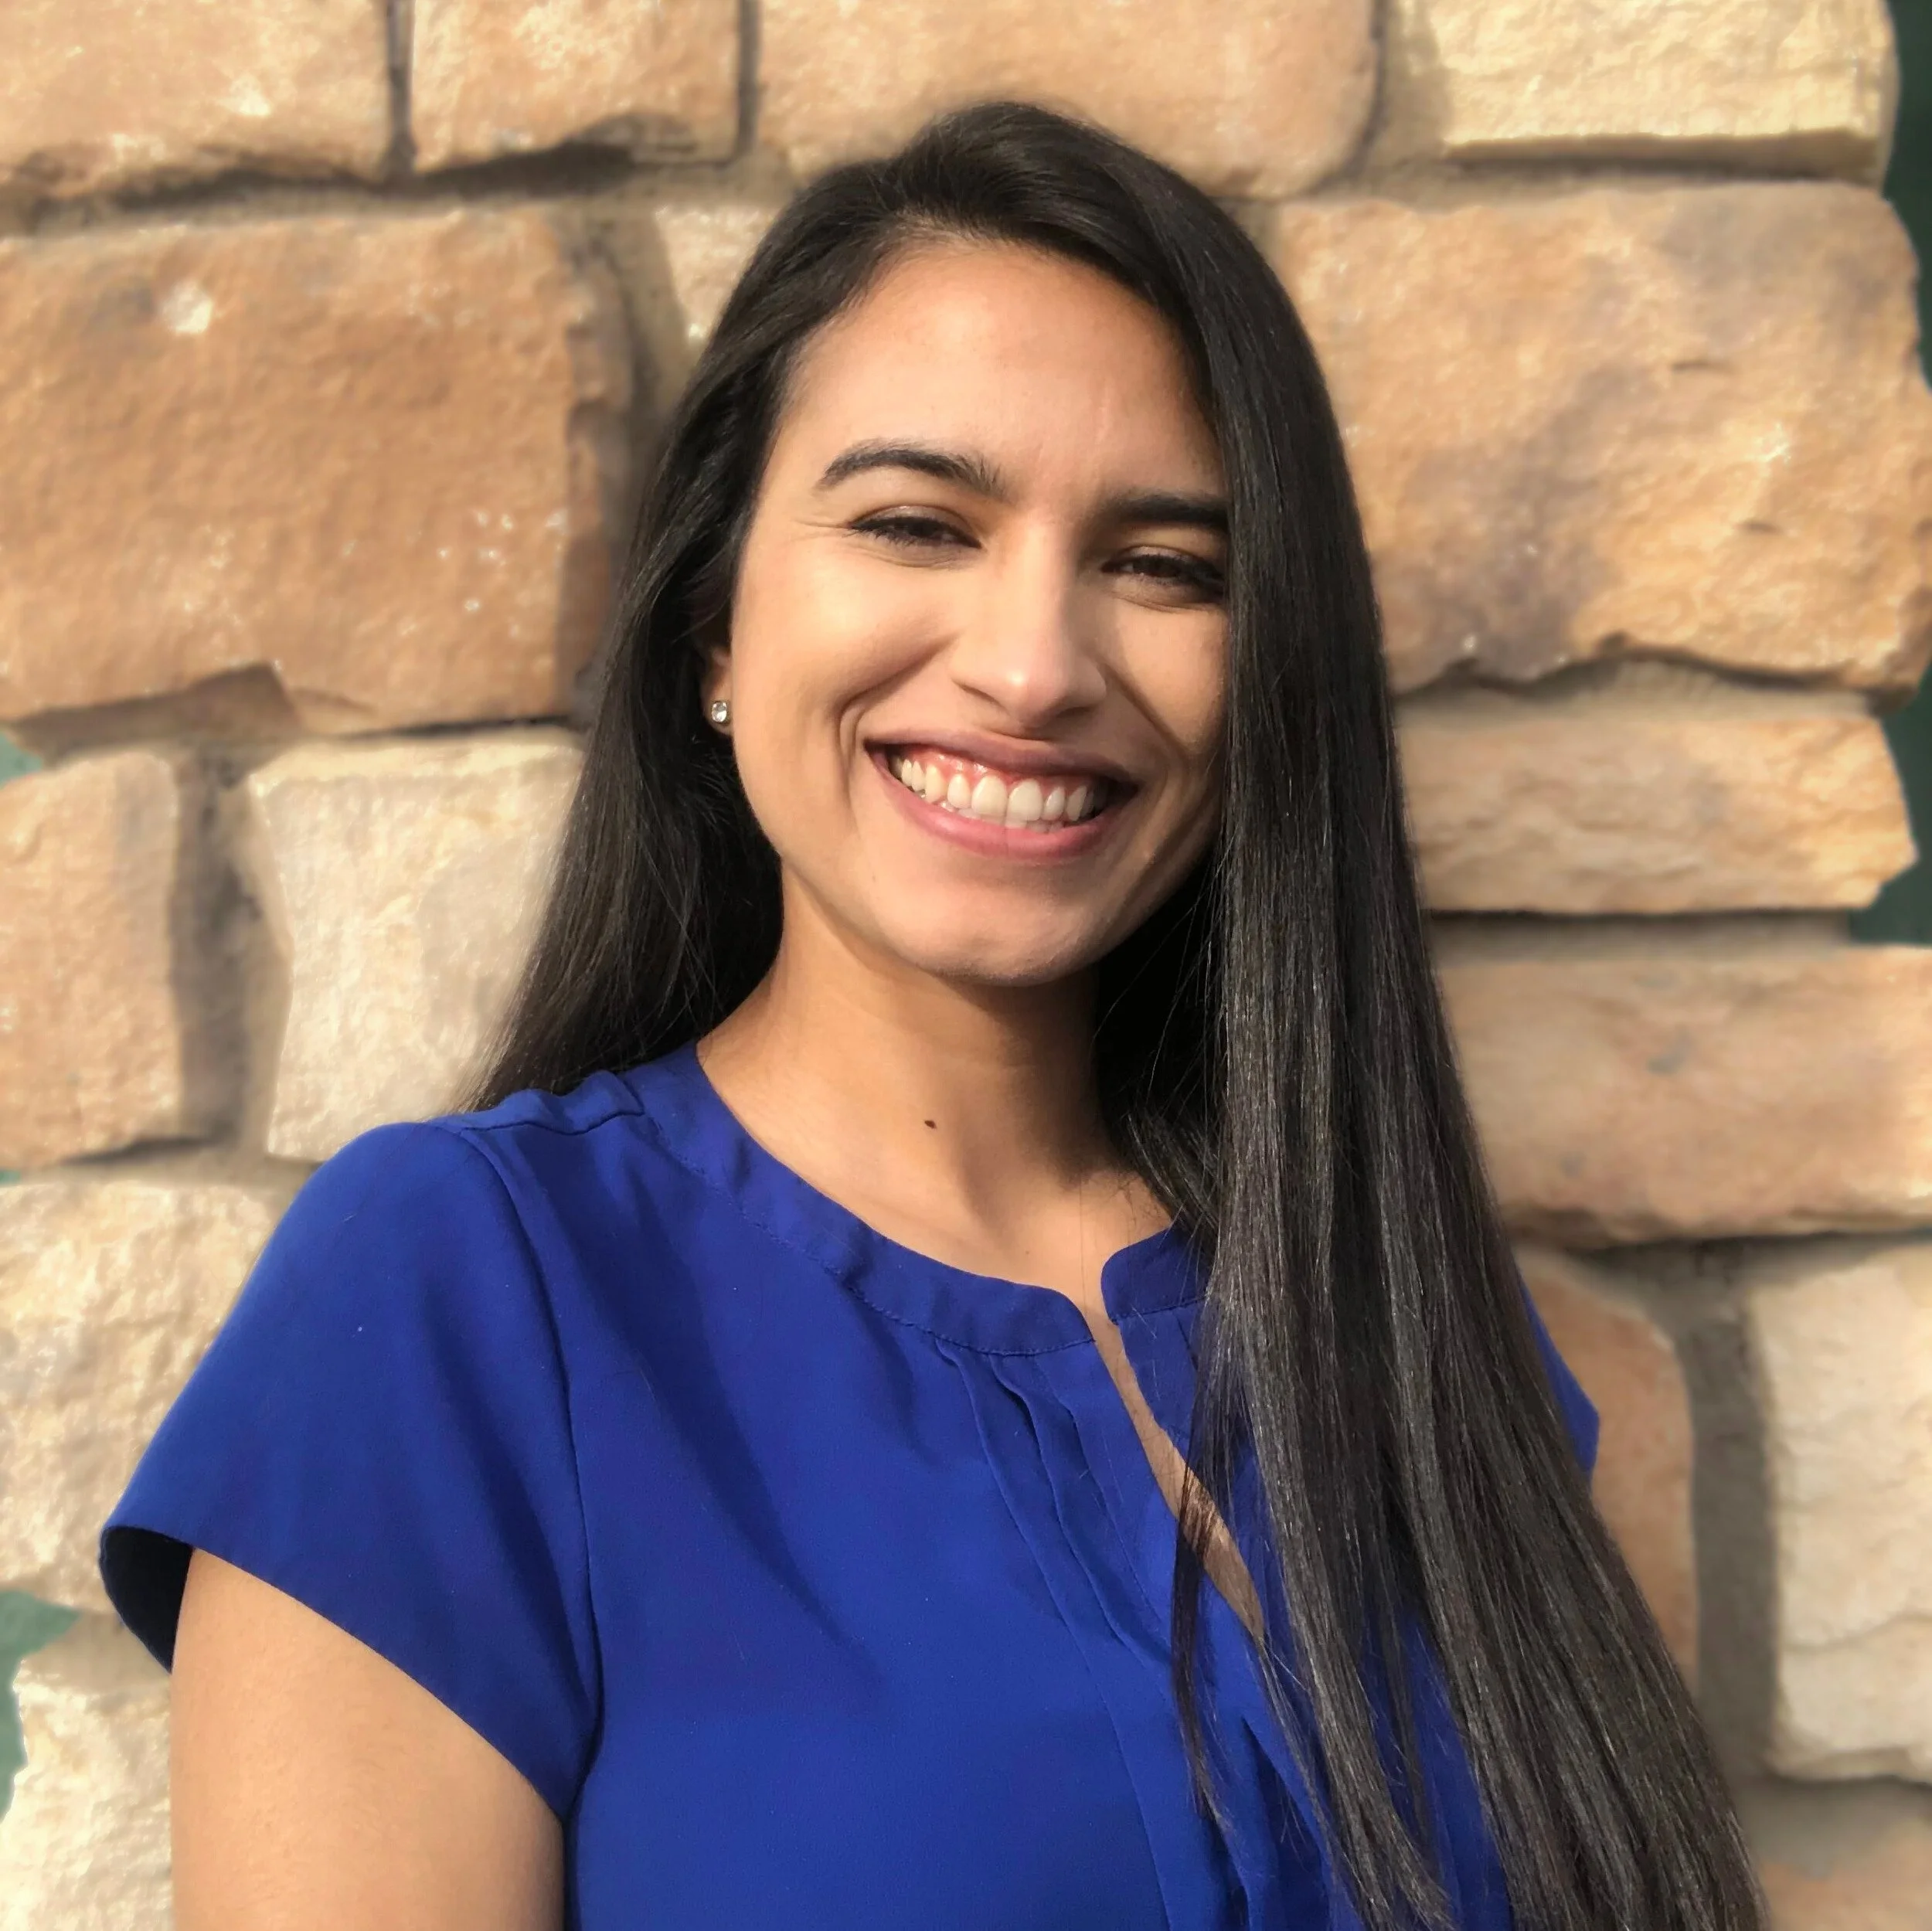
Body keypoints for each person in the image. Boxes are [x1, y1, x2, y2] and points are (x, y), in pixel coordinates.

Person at [101, 102, 1761, 1931]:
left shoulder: (1402, 1307)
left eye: (1164, 565)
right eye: (914, 523)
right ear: (714, 628)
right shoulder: (464, 1297)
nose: (1033, 665)